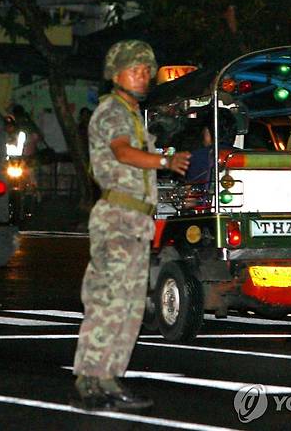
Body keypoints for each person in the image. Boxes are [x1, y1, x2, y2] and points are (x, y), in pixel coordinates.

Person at [71, 40, 190, 411]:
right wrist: (163, 162)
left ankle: (109, 377)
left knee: (131, 305)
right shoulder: (112, 111)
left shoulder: (133, 114)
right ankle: (89, 379)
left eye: (146, 70)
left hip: (135, 218)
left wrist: (167, 150)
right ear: (117, 74)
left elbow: (141, 151)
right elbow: (123, 152)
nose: (143, 76)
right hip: (117, 217)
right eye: (136, 69)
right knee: (108, 298)